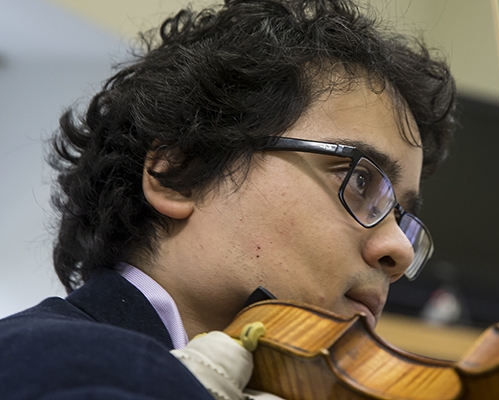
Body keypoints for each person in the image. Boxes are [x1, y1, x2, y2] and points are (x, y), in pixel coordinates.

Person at [0, 0, 456, 398]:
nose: (399, 248)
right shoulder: (62, 363)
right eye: (360, 181)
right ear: (179, 174)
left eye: (403, 216)